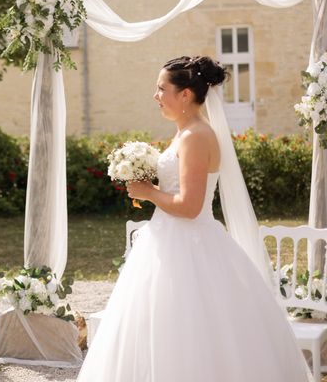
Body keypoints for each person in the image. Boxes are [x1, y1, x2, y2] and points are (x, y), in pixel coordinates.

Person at [77, 56, 310, 382]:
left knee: (188, 332)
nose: (155, 95)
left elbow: (189, 206)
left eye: (162, 88)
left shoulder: (196, 136)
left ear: (185, 94)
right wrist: (154, 187)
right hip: (168, 240)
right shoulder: (187, 133)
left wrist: (148, 192)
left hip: (187, 247)